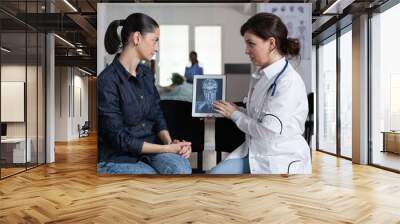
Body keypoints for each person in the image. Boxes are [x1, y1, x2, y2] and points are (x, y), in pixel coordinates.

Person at [209, 13, 311, 174]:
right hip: (257, 152)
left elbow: (267, 131)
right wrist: (233, 109)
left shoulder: (287, 82)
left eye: (251, 44)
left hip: (278, 158)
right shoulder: (263, 75)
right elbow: (258, 116)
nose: (246, 51)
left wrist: (235, 114)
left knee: (216, 179)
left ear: (271, 44)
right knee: (213, 176)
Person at [97, 13, 192, 174]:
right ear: (137, 38)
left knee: (181, 168)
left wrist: (171, 146)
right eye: (155, 40)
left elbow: (157, 114)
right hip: (118, 157)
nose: (157, 48)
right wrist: (167, 148)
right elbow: (120, 139)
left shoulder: (146, 74)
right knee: (151, 178)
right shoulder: (107, 81)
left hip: (151, 151)